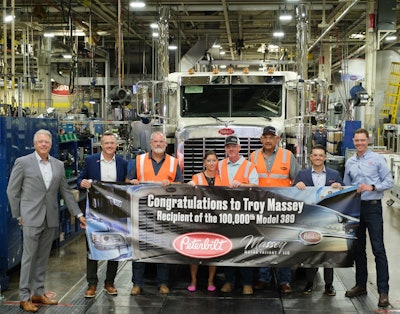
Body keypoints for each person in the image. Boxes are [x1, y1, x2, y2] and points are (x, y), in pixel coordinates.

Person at [6, 129, 87, 313]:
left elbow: (66, 191)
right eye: (40, 141)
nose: (44, 144)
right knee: (29, 258)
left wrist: (79, 214)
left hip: (50, 218)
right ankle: (24, 297)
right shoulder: (23, 162)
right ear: (35, 144)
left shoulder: (57, 165)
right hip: (30, 218)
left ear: (51, 144)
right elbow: (12, 191)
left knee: (43, 258)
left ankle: (38, 293)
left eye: (47, 142)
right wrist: (19, 215)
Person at [126, 131, 184, 295]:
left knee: (163, 247)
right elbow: (126, 182)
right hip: (142, 210)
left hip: (164, 211)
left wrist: (172, 183)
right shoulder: (138, 160)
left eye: (161, 142)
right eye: (156, 142)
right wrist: (133, 181)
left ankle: (163, 283)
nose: (158, 144)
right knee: (139, 248)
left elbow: (180, 184)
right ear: (150, 144)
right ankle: (137, 283)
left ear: (166, 144)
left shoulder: (174, 162)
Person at [343, 128, 393, 308]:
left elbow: (389, 182)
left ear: (368, 141)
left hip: (373, 208)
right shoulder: (349, 162)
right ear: (353, 142)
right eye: (357, 141)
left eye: (362, 140)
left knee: (378, 248)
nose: (359, 143)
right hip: (356, 208)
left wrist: (371, 187)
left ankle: (383, 291)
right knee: (358, 249)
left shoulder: (378, 159)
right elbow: (347, 187)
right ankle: (361, 285)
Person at [249, 125, 300, 294]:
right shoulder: (253, 156)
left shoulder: (288, 156)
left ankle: (284, 280)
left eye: (272, 137)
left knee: (283, 243)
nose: (269, 140)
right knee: (262, 242)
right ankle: (264, 278)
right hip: (260, 206)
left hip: (282, 206)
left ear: (277, 139)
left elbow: (297, 180)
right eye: (266, 137)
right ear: (261, 139)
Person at [77, 131, 128, 298]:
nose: (109, 146)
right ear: (101, 145)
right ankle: (92, 284)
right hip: (94, 212)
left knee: (114, 247)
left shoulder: (122, 163)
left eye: (112, 143)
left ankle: (109, 282)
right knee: (92, 246)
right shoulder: (91, 161)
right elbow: (80, 180)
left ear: (116, 145)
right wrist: (82, 183)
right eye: (106, 143)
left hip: (115, 212)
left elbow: (126, 183)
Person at [294, 144, 344, 296]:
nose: (317, 158)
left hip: (328, 219)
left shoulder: (334, 174)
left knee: (329, 251)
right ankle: (310, 282)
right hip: (309, 219)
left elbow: (343, 194)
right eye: (315, 155)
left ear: (325, 157)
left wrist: (339, 186)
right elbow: (291, 194)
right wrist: (296, 185)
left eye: (320, 155)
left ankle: (329, 285)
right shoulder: (302, 175)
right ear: (310, 157)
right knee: (310, 250)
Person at [218, 135, 258, 295]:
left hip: (244, 213)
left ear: (239, 148)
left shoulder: (249, 166)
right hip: (224, 212)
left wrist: (242, 185)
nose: (231, 149)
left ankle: (247, 283)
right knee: (228, 247)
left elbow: (255, 185)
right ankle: (229, 281)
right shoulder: (220, 165)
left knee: (245, 247)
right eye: (228, 147)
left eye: (234, 146)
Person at [187, 150, 221, 292]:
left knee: (213, 252)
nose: (211, 163)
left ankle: (210, 280)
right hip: (198, 219)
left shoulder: (222, 178)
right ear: (204, 163)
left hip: (216, 220)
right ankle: (193, 280)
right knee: (195, 253)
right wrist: (189, 185)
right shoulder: (196, 177)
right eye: (209, 161)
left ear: (217, 162)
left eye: (214, 160)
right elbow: (189, 192)